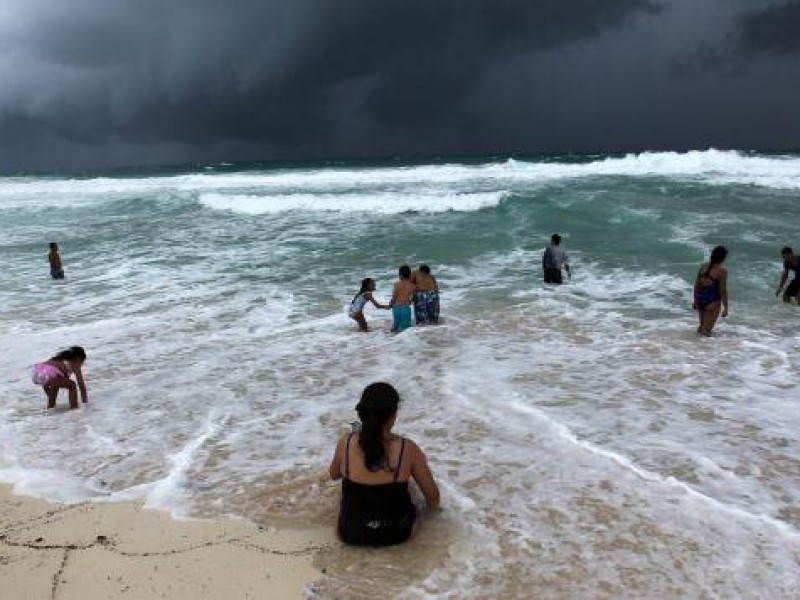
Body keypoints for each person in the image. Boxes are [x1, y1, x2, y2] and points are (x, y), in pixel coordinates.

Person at [329, 382, 440, 546]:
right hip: (396, 534)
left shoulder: (346, 443)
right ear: (393, 415)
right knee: (412, 493)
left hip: (350, 533)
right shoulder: (407, 449)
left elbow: (334, 474)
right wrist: (428, 515)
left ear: (362, 413)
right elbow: (433, 498)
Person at [693, 246, 729, 336]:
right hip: (712, 303)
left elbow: (697, 286)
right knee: (707, 331)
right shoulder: (722, 271)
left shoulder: (703, 267)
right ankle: (702, 348)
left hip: (701, 299)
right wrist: (726, 308)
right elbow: (722, 291)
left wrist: (695, 300)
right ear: (723, 258)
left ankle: (695, 346)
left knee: (701, 328)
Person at [390, 265, 415, 333]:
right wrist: (410, 301)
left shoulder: (396, 284)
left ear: (400, 275)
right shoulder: (412, 286)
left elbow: (394, 297)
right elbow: (412, 298)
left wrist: (390, 304)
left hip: (396, 308)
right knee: (405, 327)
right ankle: (402, 341)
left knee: (396, 324)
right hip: (405, 308)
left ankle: (390, 338)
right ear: (409, 275)